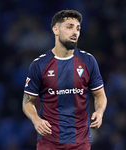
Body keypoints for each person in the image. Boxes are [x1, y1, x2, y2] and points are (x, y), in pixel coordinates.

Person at [22, 9, 107, 150]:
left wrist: (99, 112)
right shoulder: (39, 65)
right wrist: (36, 120)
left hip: (80, 141)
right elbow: (27, 102)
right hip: (49, 142)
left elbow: (100, 95)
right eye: (69, 27)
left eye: (78, 28)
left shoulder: (88, 61)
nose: (75, 32)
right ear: (55, 29)